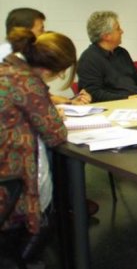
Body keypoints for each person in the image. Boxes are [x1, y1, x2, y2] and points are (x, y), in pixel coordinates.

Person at [0, 28, 75, 261]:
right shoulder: (28, 83)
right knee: (46, 215)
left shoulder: (6, 70)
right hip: (9, 179)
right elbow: (56, 135)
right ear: (52, 71)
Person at [1, 8, 92, 105]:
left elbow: (42, 96)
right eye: (41, 30)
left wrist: (69, 102)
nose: (45, 34)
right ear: (25, 32)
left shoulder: (21, 60)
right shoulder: (11, 65)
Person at [77, 11, 137, 102]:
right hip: (112, 108)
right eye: (118, 29)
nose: (122, 31)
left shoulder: (122, 52)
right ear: (106, 36)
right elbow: (93, 93)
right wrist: (126, 99)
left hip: (134, 103)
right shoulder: (88, 59)